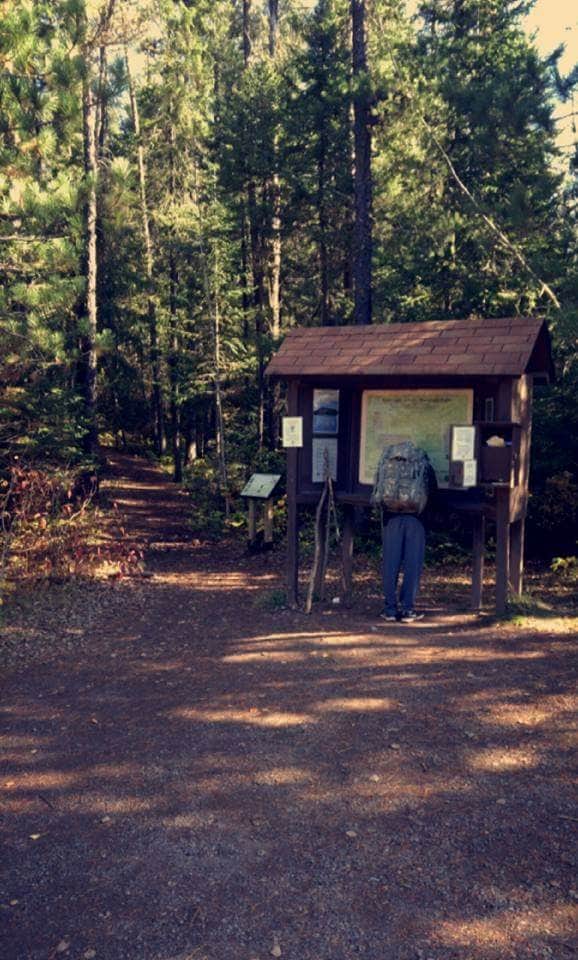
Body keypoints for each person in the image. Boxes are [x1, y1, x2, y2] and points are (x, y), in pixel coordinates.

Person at [375, 443, 437, 623]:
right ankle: (408, 609)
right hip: (416, 521)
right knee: (412, 565)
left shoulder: (387, 463)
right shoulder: (423, 465)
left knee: (390, 565)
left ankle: (390, 609)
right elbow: (433, 492)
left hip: (391, 520)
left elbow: (379, 491)